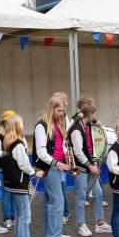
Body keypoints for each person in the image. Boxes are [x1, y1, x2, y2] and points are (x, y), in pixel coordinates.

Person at [2, 114, 45, 237]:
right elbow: (24, 165)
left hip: (14, 183)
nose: (23, 126)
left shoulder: (9, 143)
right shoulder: (18, 144)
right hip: (19, 184)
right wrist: (34, 173)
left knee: (20, 215)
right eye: (21, 123)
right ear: (17, 127)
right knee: (25, 216)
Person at [67, 104, 112, 237]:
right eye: (94, 114)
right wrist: (90, 166)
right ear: (91, 113)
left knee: (98, 193)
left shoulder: (87, 126)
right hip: (81, 167)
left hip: (90, 165)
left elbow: (93, 145)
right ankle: (81, 224)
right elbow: (78, 152)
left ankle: (100, 223)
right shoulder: (76, 129)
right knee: (81, 195)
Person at [33, 97, 71, 237]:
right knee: (57, 200)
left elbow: (59, 145)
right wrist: (57, 163)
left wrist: (65, 153)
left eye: (63, 111)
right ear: (51, 109)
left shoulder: (56, 123)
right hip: (49, 167)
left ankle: (53, 233)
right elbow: (41, 152)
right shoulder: (41, 125)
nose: (62, 114)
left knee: (50, 200)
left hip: (56, 165)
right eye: (59, 110)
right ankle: (54, 236)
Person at [0, 110, 16, 229]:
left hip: (15, 170)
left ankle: (15, 216)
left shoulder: (18, 135)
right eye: (8, 121)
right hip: (4, 170)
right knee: (6, 194)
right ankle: (7, 218)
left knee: (15, 194)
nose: (10, 123)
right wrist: (6, 153)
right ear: (4, 123)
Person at [52, 92, 71, 225]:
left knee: (62, 185)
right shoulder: (51, 120)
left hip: (61, 158)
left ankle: (64, 212)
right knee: (58, 187)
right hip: (54, 159)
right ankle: (61, 213)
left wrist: (67, 152)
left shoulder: (65, 118)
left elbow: (66, 137)